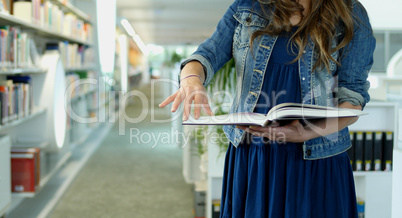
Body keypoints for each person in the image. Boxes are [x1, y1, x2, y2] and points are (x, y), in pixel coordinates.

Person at [159, 0, 375, 217]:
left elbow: (353, 99)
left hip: (317, 159)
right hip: (254, 159)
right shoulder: (247, 7)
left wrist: (307, 132)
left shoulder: (350, 12)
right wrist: (190, 79)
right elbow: (207, 54)